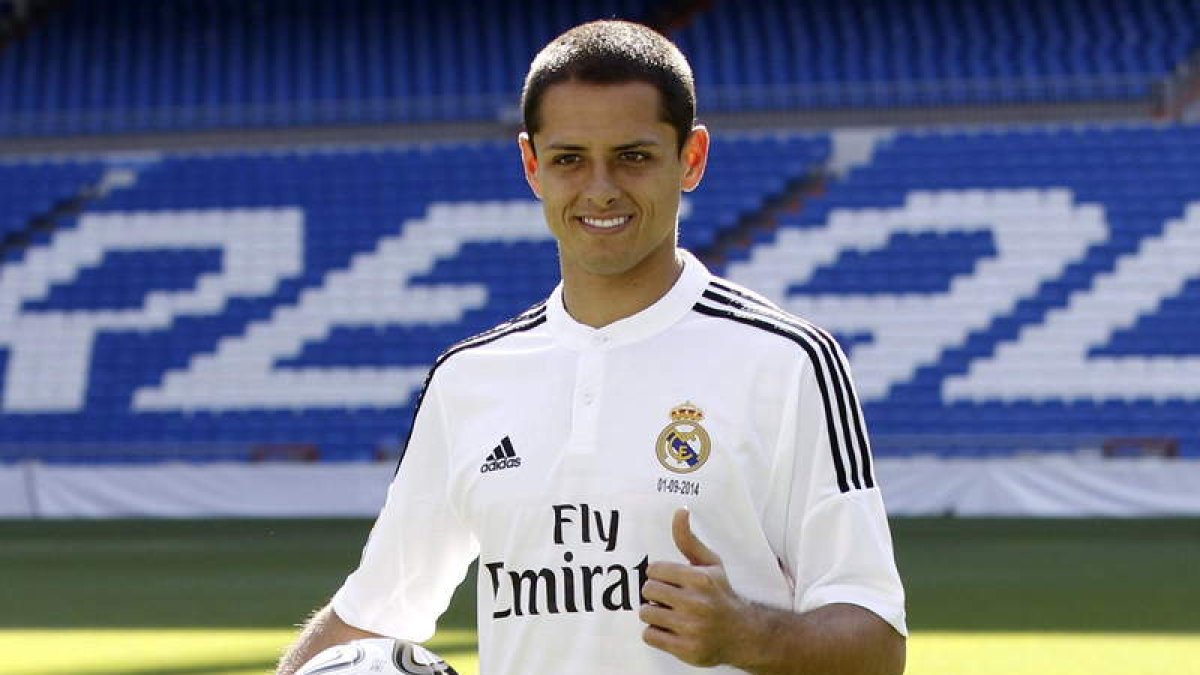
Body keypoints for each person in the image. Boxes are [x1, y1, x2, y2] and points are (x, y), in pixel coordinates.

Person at [276, 19, 906, 675]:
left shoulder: (787, 360)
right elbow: (373, 614)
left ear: (690, 158)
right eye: (569, 159)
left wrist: (746, 634)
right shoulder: (468, 380)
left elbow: (878, 643)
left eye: (633, 156)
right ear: (532, 165)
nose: (600, 187)